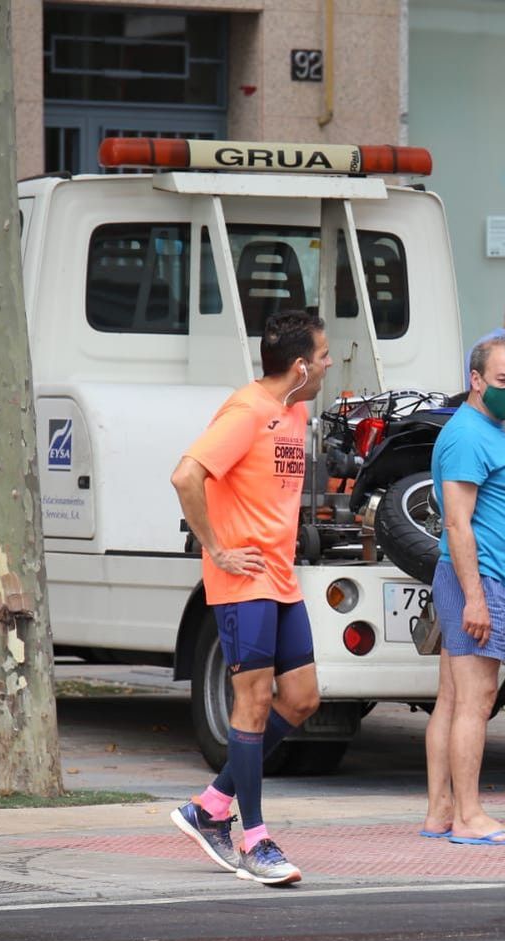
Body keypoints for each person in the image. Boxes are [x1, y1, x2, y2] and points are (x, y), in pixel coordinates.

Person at [167, 309, 332, 886]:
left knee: (304, 699)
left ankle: (210, 806)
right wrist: (215, 549)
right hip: (242, 580)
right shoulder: (247, 411)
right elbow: (187, 475)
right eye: (325, 354)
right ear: (299, 366)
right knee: (254, 703)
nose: (330, 363)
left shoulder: (296, 408)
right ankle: (253, 839)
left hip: (280, 576)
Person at [423, 336, 505, 846]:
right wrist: (475, 598)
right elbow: (457, 522)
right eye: (502, 381)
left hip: (478, 578)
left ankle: (440, 810)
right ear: (475, 380)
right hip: (481, 579)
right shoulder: (469, 435)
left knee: (451, 698)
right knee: (477, 697)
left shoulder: (485, 429)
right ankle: (469, 817)